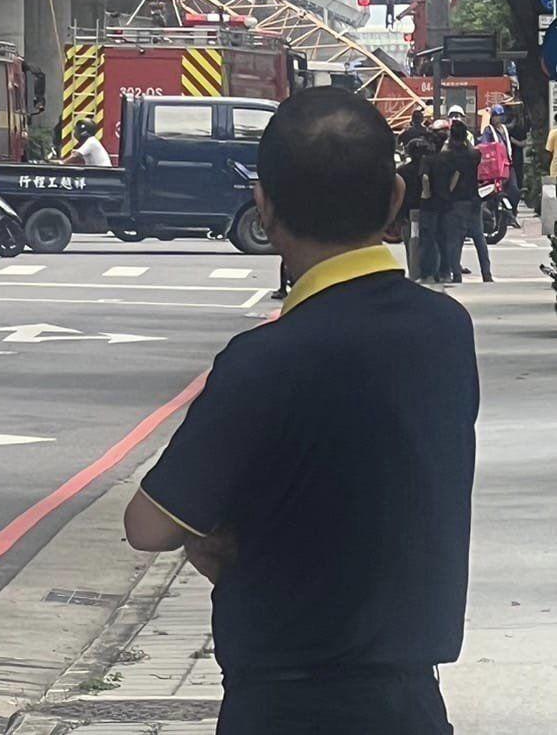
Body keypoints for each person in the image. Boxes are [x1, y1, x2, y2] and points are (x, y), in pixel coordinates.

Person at [124, 88, 478, 735]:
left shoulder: (264, 359)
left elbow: (149, 524)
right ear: (396, 196)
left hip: (282, 704)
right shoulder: (445, 331)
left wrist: (227, 537)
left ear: (264, 206)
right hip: (407, 704)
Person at [443, 119, 493, 284]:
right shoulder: (474, 154)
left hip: (457, 200)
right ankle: (487, 273)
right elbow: (474, 152)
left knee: (455, 239)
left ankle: (456, 274)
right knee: (479, 238)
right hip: (474, 200)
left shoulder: (449, 156)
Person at [418, 120, 453, 282]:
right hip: (445, 203)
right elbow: (455, 177)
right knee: (443, 239)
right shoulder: (447, 158)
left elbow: (425, 177)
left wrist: (427, 193)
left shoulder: (427, 160)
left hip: (429, 205)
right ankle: (445, 272)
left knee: (427, 240)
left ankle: (428, 273)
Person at [396, 136, 431, 281]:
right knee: (428, 243)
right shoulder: (429, 169)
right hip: (427, 210)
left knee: (410, 244)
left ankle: (414, 273)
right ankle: (426, 272)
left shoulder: (402, 171)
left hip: (408, 212)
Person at [481, 104, 521, 226]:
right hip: (495, 167)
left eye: (500, 116)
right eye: (496, 116)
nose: (498, 118)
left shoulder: (504, 129)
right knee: (495, 192)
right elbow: (484, 144)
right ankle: (495, 216)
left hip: (508, 165)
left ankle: (512, 214)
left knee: (514, 190)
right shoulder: (488, 130)